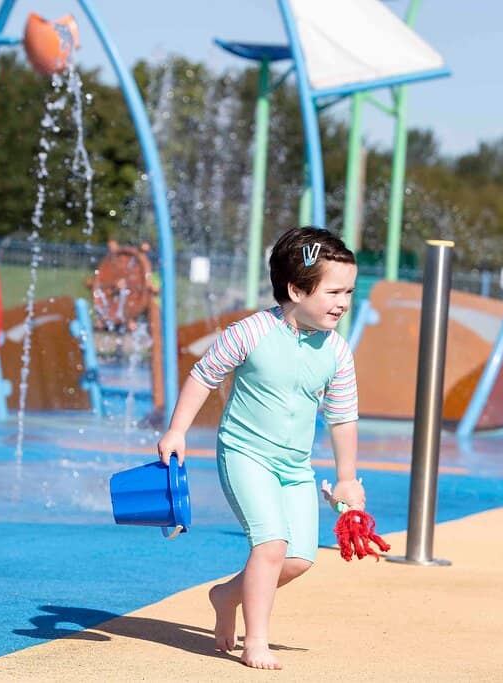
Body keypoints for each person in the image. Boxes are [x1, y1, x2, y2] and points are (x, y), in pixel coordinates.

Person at [157, 226, 365, 670]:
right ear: (295, 289)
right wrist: (177, 431)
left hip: (295, 467)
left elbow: (342, 415)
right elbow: (203, 375)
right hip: (244, 455)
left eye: (349, 291)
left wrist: (346, 477)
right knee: (269, 545)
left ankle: (225, 596)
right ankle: (257, 641)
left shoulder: (337, 351)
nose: (343, 302)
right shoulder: (251, 332)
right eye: (333, 291)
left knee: (297, 560)